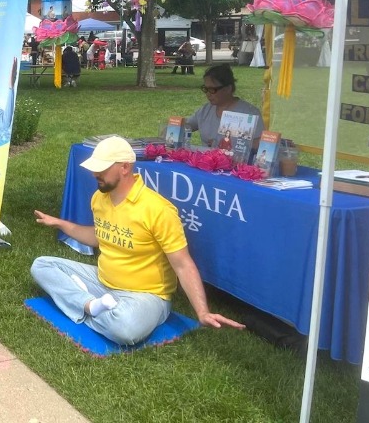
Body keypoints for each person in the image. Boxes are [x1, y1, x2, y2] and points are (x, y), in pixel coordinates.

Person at [30, 137, 244, 345]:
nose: (95, 173)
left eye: (102, 168)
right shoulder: (99, 198)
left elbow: (182, 264)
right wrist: (59, 223)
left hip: (146, 295)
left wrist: (202, 312)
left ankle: (82, 305)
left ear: (125, 167)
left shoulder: (158, 210)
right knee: (41, 265)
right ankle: (89, 306)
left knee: (125, 328)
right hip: (102, 281)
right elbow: (98, 237)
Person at [186, 64, 263, 148]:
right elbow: (185, 126)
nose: (208, 94)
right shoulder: (205, 110)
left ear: (228, 89)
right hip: (207, 160)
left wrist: (226, 145)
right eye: (206, 89)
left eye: (212, 90)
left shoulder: (249, 113)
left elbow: (260, 143)